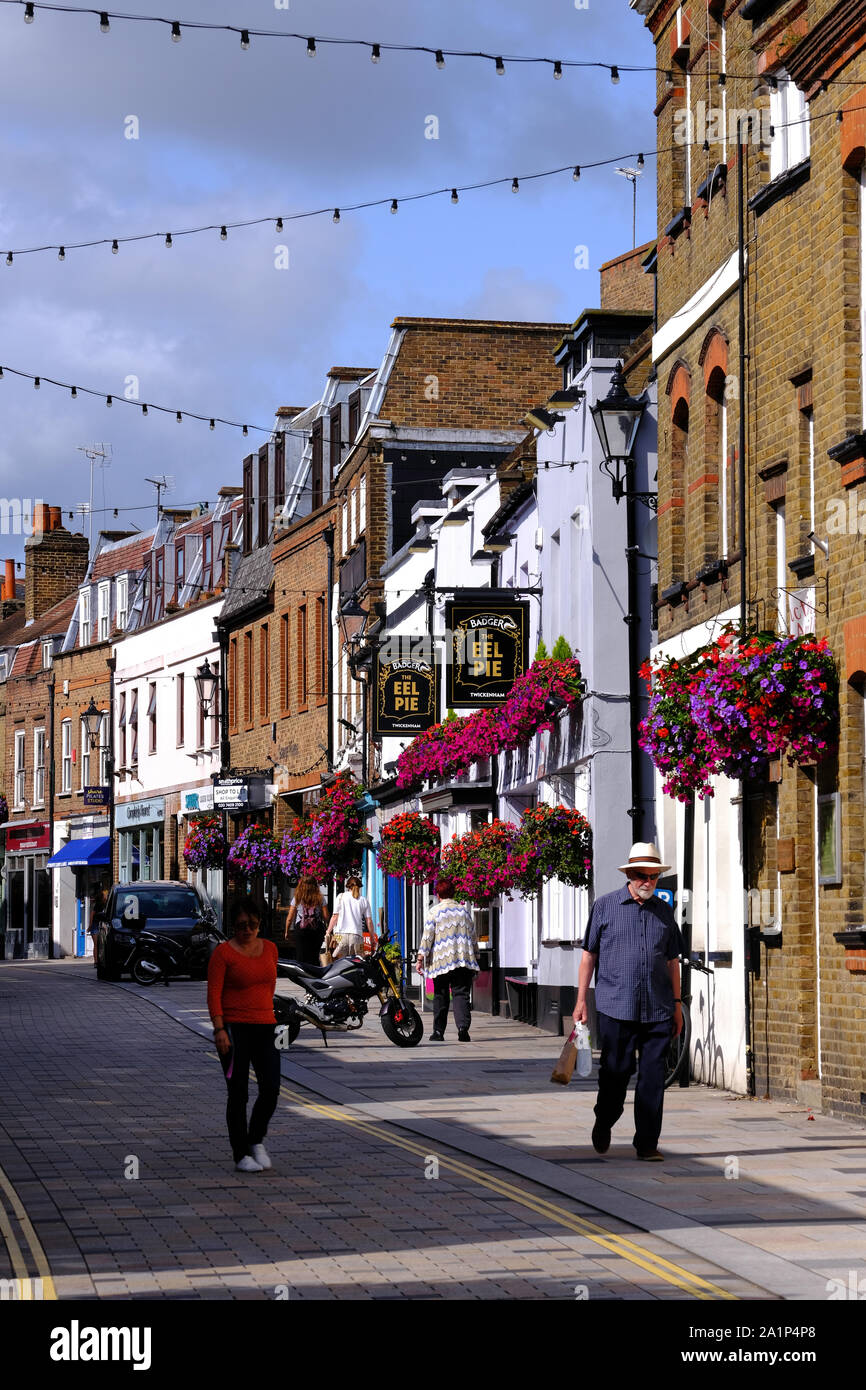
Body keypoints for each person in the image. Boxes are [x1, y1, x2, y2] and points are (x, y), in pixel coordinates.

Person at [574, 842, 684, 1162]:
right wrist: (581, 1000)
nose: (647, 881)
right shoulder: (605, 906)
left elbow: (672, 961)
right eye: (641, 875)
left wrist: (677, 1004)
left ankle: (647, 1143)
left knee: (652, 1078)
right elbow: (589, 955)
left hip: (658, 1008)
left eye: (653, 876)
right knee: (616, 1073)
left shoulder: (664, 912)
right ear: (629, 875)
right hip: (616, 1006)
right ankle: (604, 1118)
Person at [207, 901, 280, 1173]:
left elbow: (268, 986)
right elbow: (213, 994)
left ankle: (255, 1139)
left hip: (265, 1025)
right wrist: (219, 1029)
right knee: (238, 1094)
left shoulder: (270, 949)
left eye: (252, 924)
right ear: (233, 926)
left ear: (260, 923)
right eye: (241, 925)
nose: (247, 930)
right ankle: (240, 1154)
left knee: (271, 1089)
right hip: (234, 1030)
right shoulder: (223, 954)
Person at [415, 877, 479, 1042]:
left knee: (440, 995)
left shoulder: (435, 912)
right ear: (453, 892)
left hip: (442, 962)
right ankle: (463, 1028)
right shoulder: (463, 911)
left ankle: (438, 1032)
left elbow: (427, 937)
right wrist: (476, 956)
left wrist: (420, 958)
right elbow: (473, 936)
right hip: (462, 960)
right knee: (461, 994)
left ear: (438, 894)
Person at [329, 876, 375, 960]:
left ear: (348, 887)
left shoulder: (341, 897)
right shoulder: (364, 900)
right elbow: (369, 921)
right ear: (359, 887)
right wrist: (372, 937)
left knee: (338, 962)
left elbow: (335, 916)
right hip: (357, 936)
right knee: (358, 962)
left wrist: (328, 931)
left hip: (340, 935)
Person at [284, 876, 326, 965]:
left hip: (301, 930)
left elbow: (290, 918)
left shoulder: (297, 898)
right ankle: (313, 975)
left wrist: (287, 931)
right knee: (314, 956)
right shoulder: (320, 898)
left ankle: (302, 975)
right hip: (316, 929)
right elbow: (326, 916)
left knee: (301, 955)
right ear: (315, 885)